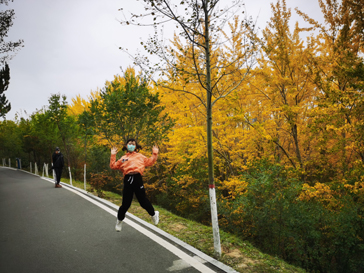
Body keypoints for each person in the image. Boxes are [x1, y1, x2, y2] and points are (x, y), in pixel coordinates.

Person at [110, 138, 159, 231]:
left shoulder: (140, 156)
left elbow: (150, 162)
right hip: (128, 179)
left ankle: (153, 214)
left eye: (133, 144)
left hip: (137, 179)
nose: (131, 145)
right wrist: (113, 155)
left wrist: (155, 153)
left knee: (143, 201)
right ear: (126, 146)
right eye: (129, 143)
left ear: (136, 146)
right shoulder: (123, 158)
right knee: (126, 203)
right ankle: (119, 221)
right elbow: (113, 166)